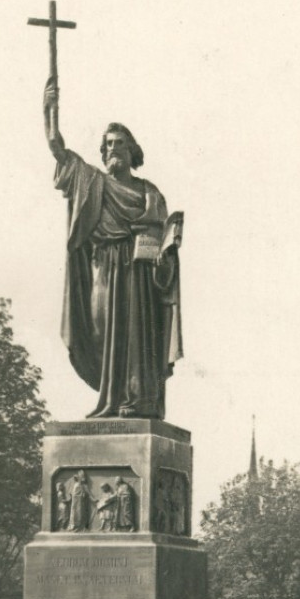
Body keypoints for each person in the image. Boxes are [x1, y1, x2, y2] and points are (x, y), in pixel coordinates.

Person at [44, 77, 182, 419]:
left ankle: (136, 402)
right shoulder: (92, 181)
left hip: (139, 275)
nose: (111, 150)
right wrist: (49, 108)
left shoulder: (150, 192)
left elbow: (163, 244)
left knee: (136, 341)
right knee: (102, 332)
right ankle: (110, 399)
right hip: (104, 268)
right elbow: (57, 147)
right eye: (106, 144)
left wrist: (168, 252)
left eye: (119, 144)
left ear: (131, 150)